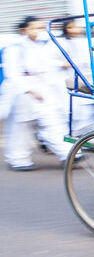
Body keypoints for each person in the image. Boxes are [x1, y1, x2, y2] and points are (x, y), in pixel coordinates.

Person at [1, 16, 70, 171]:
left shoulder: (40, 46)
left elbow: (46, 65)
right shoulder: (14, 49)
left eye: (40, 27)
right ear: (23, 30)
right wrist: (29, 90)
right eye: (34, 28)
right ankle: (18, 159)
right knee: (21, 128)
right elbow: (12, 74)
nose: (38, 31)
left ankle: (67, 152)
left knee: (53, 120)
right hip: (22, 92)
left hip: (42, 87)